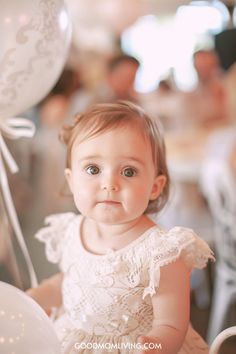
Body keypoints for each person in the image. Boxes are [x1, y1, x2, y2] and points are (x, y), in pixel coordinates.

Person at [26, 101, 214, 353]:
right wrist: (37, 297)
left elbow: (171, 325)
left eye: (128, 171)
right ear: (71, 181)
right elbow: (69, 281)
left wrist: (155, 345)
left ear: (154, 187)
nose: (109, 183)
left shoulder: (161, 252)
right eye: (93, 169)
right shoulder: (71, 231)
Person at [69, 54, 140, 115]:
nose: (129, 82)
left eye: (133, 78)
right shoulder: (89, 97)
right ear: (111, 74)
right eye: (126, 76)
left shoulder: (131, 102)